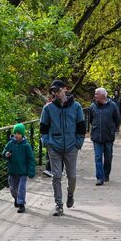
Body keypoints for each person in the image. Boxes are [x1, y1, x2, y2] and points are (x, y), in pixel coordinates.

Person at [40, 79, 86, 216]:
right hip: (54, 146)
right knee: (56, 176)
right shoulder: (48, 108)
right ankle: (59, 205)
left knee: (72, 177)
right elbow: (43, 128)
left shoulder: (76, 107)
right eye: (53, 91)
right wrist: (47, 142)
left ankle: (70, 194)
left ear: (65, 89)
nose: (56, 93)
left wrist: (78, 143)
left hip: (72, 147)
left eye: (58, 90)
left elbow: (82, 127)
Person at [89, 87, 121, 185]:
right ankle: (100, 178)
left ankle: (106, 174)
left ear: (103, 95)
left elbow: (117, 119)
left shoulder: (113, 105)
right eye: (95, 94)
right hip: (96, 136)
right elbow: (91, 119)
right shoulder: (92, 106)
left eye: (97, 94)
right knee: (98, 157)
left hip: (108, 136)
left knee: (108, 157)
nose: (95, 96)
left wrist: (114, 130)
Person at [2, 123, 36, 213]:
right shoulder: (10, 144)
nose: (16, 135)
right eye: (15, 133)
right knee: (13, 188)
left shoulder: (26, 146)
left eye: (19, 133)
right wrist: (6, 155)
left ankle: (21, 204)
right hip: (12, 170)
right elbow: (4, 153)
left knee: (21, 188)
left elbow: (31, 159)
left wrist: (31, 171)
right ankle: (16, 198)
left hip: (23, 171)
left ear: (22, 134)